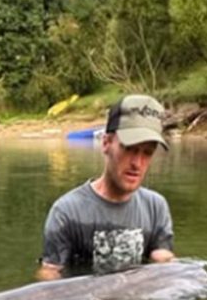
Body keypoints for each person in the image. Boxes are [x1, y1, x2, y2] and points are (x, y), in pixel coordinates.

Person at [36, 94, 175, 281]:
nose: (137, 163)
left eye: (147, 153)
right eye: (129, 149)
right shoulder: (66, 212)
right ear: (106, 143)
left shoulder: (156, 207)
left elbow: (163, 259)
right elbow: (50, 274)